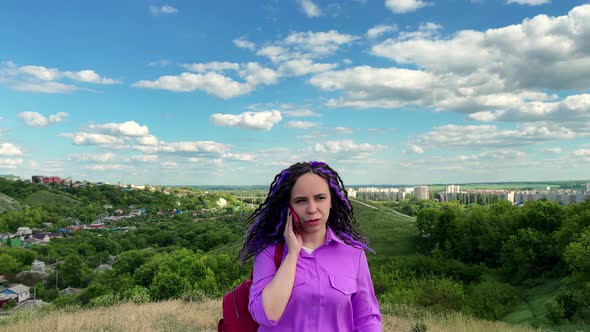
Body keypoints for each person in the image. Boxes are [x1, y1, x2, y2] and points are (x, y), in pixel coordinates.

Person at [239, 161, 382, 331]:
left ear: (331, 201)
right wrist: (292, 254)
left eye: (320, 198)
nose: (312, 209)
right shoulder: (269, 252)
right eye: (301, 201)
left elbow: (367, 318)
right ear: (289, 207)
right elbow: (266, 315)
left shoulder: (353, 254)